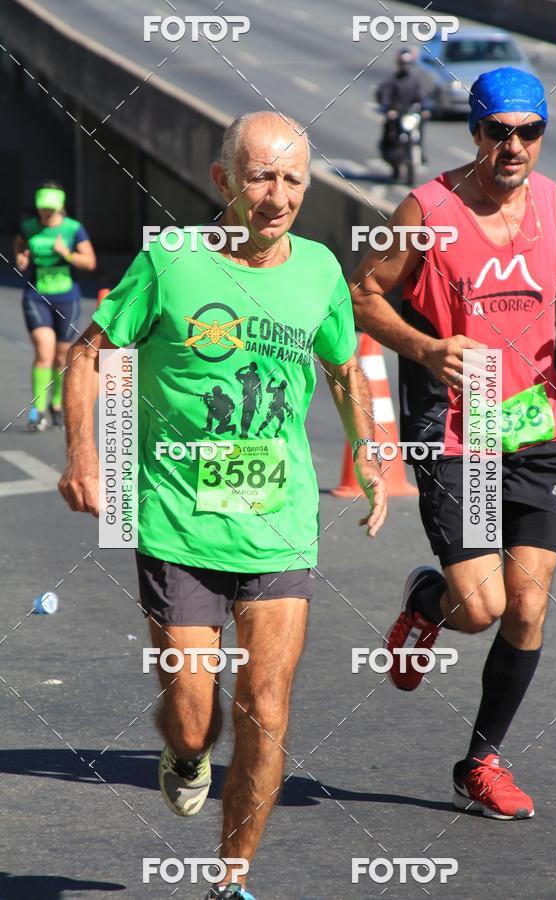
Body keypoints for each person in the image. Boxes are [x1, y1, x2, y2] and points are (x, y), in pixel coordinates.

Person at [59, 111, 387, 898]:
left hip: (279, 524)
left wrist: (368, 450)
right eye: (260, 177)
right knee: (196, 714)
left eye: (293, 181)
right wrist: (82, 454)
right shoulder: (170, 264)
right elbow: (87, 355)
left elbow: (342, 370)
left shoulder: (316, 270)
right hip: (177, 521)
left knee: (266, 711)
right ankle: (187, 746)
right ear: (223, 182)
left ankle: (230, 880)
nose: (276, 197)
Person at [350, 67, 556, 820]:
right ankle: (429, 600)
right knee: (483, 608)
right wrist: (425, 350)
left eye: (529, 131)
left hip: (538, 425)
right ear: (476, 131)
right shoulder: (426, 209)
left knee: (528, 607)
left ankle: (482, 762)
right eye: (500, 131)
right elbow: (362, 293)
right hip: (458, 429)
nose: (514, 146)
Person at [14, 182, 96, 430]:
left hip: (66, 298)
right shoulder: (29, 227)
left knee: (61, 357)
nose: (45, 213)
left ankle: (57, 404)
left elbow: (90, 262)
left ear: (60, 207)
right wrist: (21, 256)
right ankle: (37, 409)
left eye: (50, 209)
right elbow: (19, 243)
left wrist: (66, 253)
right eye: (42, 209)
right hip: (36, 296)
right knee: (44, 353)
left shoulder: (73, 229)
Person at [376, 48, 428, 168]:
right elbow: (384, 94)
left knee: (420, 127)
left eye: (408, 63)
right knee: (390, 127)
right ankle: (388, 151)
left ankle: (420, 151)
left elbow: (421, 96)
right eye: (403, 63)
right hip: (397, 112)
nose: (405, 66)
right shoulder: (392, 79)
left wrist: (424, 108)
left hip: (409, 113)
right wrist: (388, 107)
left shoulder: (414, 80)